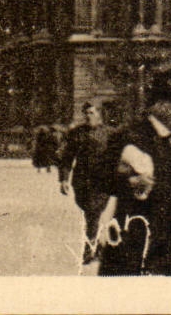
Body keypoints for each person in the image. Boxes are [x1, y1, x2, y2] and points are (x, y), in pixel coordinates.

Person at [95, 71, 171, 276]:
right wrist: (128, 181)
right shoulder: (129, 135)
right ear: (159, 106)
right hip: (139, 228)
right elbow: (100, 176)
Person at [59, 102, 113, 263]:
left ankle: (90, 249)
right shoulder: (77, 133)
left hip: (101, 181)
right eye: (86, 113)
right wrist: (64, 179)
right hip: (81, 181)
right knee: (89, 213)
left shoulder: (109, 133)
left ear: (99, 115)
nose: (88, 116)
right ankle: (97, 245)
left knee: (93, 212)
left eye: (92, 112)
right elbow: (67, 157)